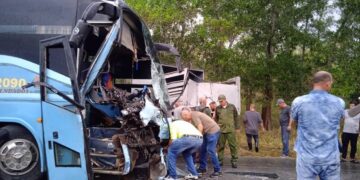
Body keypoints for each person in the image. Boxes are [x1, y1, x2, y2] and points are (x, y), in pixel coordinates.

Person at [288, 71, 345, 180]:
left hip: (307, 157)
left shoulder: (299, 101)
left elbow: (294, 120)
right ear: (327, 83)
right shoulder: (339, 102)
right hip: (330, 157)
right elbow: (341, 118)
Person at [181, 108, 222, 177]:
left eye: (185, 118)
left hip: (213, 131)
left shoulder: (194, 115)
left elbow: (200, 127)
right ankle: (203, 168)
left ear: (186, 115)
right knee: (202, 150)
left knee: (210, 150)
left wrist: (198, 138)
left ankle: (218, 170)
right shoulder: (193, 115)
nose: (186, 120)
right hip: (207, 132)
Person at [215, 94, 240, 168]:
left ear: (225, 100)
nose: (220, 102)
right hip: (221, 130)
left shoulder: (232, 107)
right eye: (219, 101)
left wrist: (237, 127)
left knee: (233, 146)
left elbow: (236, 117)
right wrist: (217, 125)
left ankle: (234, 160)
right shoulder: (218, 108)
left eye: (221, 101)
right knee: (220, 146)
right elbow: (216, 118)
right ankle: (220, 160)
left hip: (230, 129)